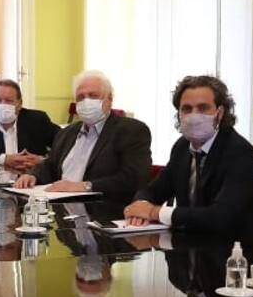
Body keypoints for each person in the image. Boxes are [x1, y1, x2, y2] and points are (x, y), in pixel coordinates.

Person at [123, 75, 253, 248]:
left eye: (203, 108)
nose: (194, 115)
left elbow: (220, 217)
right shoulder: (182, 147)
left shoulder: (239, 152)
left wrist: (155, 212)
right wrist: (140, 206)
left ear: (220, 112)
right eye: (187, 109)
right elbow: (153, 190)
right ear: (179, 114)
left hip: (238, 256)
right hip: (190, 249)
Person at [15, 70, 152, 201]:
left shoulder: (131, 131)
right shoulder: (66, 133)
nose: (86, 102)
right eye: (81, 97)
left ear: (109, 99)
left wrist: (84, 186)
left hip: (105, 210)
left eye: (93, 96)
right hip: (62, 208)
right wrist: (32, 175)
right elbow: (50, 165)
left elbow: (133, 178)